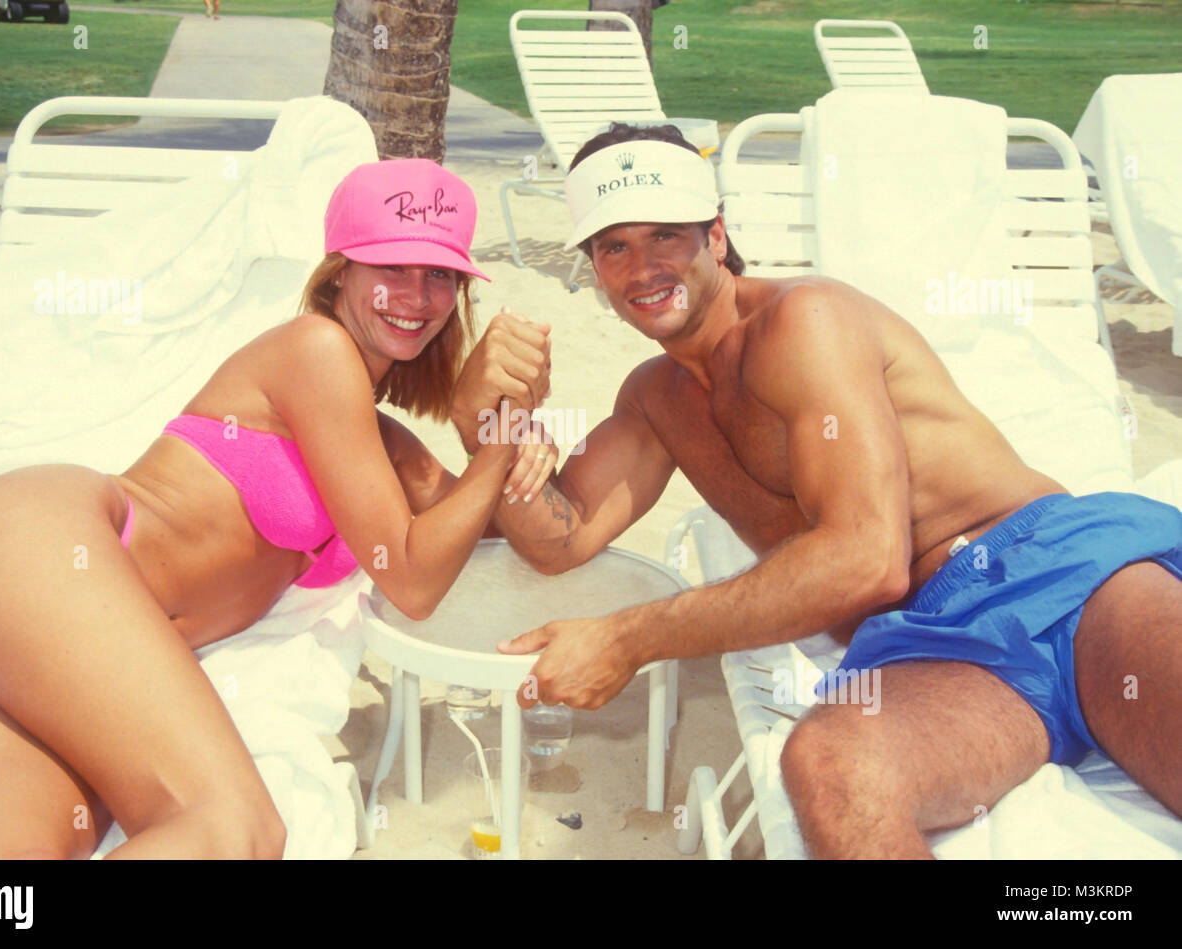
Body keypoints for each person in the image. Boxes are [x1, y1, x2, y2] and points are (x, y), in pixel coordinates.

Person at [448, 123, 1182, 857]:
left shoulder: (804, 322)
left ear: (717, 233)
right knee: (832, 769)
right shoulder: (654, 399)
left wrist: (627, 637)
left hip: (1060, 571)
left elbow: (868, 559)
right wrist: (483, 421)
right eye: (614, 246)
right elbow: (557, 538)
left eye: (665, 235)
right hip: (936, 649)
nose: (641, 268)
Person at [0, 158, 556, 860]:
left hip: (16, 642)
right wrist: (496, 448)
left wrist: (487, 422)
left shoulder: (382, 447)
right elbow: (415, 579)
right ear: (338, 274)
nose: (416, 295)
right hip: (38, 548)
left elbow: (508, 541)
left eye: (440, 276)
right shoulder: (316, 349)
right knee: (231, 828)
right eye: (390, 266)